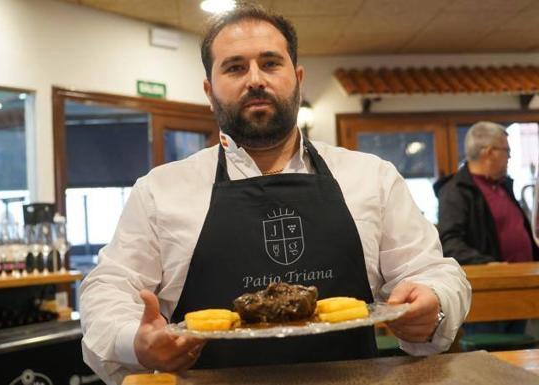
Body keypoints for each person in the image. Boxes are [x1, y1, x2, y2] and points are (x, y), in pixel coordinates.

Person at [80, 5, 470, 384]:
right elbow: (108, 289)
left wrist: (433, 305)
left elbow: (433, 271)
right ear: (208, 89)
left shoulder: (372, 177)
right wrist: (136, 340)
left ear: (297, 77)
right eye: (234, 67)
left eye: (270, 63)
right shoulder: (159, 191)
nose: (255, 79)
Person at [434, 121, 539, 335]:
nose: (510, 156)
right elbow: (450, 242)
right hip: (487, 291)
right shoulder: (456, 191)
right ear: (490, 152)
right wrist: (488, 263)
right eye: (507, 150)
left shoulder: (501, 185)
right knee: (493, 359)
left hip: (518, 288)